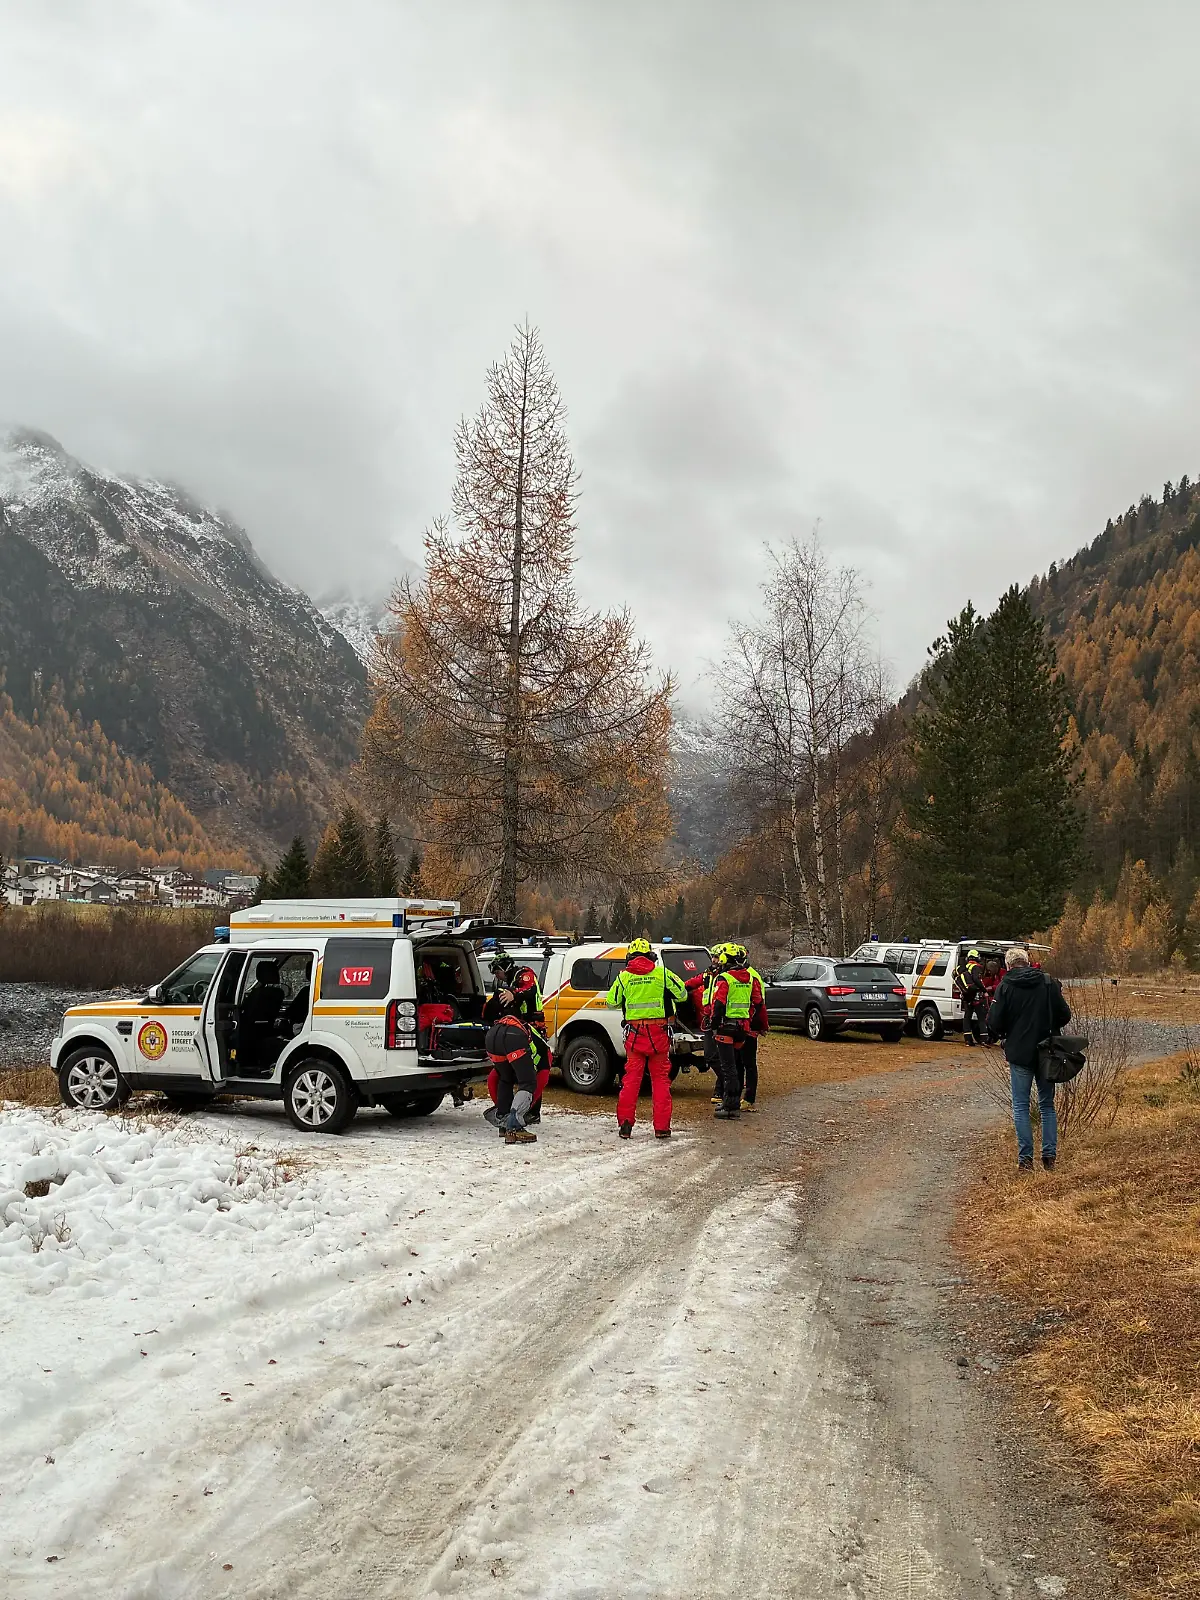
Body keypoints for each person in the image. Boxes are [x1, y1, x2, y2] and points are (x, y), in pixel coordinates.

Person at [985, 945, 1072, 1172]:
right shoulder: (1047, 982)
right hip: (1047, 1052)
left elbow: (993, 1022)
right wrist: (1049, 1026)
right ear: (1028, 961)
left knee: (1021, 1107)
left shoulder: (1005, 986)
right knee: (1047, 1105)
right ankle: (1049, 1157)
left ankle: (1025, 1160)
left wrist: (1008, 1033)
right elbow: (1065, 1015)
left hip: (1019, 1053)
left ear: (1008, 965)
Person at [606, 937, 687, 1140]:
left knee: (631, 1081)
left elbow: (611, 1002)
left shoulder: (623, 977)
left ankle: (625, 1125)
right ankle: (662, 1128)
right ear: (651, 955)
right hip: (659, 1034)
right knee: (660, 1081)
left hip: (635, 1036)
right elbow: (683, 994)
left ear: (629, 957)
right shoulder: (663, 974)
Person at [482, 951, 550, 1128]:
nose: (497, 976)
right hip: (518, 1029)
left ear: (504, 968)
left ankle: (531, 1112)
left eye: (497, 972)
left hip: (533, 1026)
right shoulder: (510, 985)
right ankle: (509, 1111)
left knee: (534, 1070)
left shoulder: (524, 974)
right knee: (512, 1074)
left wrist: (515, 994)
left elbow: (531, 989)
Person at [710, 948, 766, 1121]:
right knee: (737, 1066)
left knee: (729, 1068)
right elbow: (758, 1002)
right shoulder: (750, 977)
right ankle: (732, 1102)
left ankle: (730, 1106)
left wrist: (714, 1024)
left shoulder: (724, 978)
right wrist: (747, 1017)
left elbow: (719, 1004)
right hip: (743, 1028)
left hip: (726, 1027)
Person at [483, 1000, 540, 1145]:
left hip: (491, 1035)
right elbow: (538, 1065)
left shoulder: (506, 1020)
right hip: (512, 1038)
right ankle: (514, 1125)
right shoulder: (530, 1031)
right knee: (527, 1082)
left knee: (505, 1078)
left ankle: (503, 1121)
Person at [733, 943, 770, 1111]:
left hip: (748, 1026)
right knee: (738, 1062)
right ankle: (738, 1095)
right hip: (739, 1025)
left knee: (748, 1063)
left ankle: (749, 1097)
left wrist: (758, 1026)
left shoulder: (752, 976)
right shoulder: (738, 974)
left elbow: (759, 1003)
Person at [959, 947, 987, 1047]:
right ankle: (984, 1040)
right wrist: (984, 990)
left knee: (967, 1018)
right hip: (977, 996)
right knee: (981, 1018)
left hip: (967, 996)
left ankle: (968, 1040)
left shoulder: (964, 967)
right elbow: (976, 979)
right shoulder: (976, 967)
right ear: (977, 958)